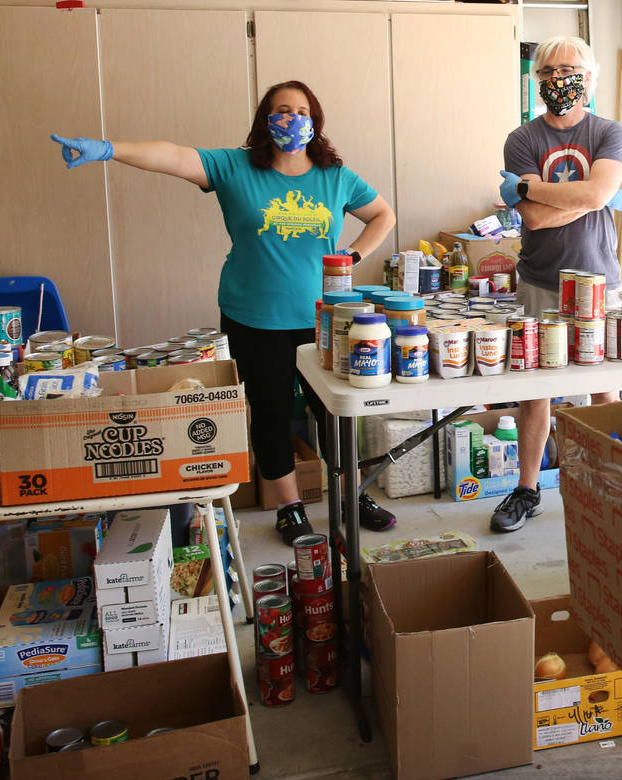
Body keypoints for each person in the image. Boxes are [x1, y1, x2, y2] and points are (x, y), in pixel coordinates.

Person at [51, 80, 400, 544]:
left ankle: (351, 494)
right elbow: (173, 156)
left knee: (336, 413)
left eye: (301, 111)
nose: (292, 119)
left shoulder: (335, 176)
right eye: (281, 110)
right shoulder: (234, 167)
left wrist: (351, 256)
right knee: (272, 413)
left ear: (315, 122)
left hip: (321, 320)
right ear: (264, 120)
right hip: (254, 319)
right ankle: (289, 506)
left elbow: (383, 215)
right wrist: (109, 149)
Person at [491, 35, 622, 533]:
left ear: (590, 76)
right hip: (539, 279)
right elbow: (533, 220)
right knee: (536, 390)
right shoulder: (522, 139)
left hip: (599, 279)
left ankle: (614, 485)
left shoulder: (609, 132)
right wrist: (588, 197)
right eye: (547, 71)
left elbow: (595, 193)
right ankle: (527, 491)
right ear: (536, 81)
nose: (558, 79)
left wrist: (532, 187)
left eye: (569, 69)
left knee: (604, 388)